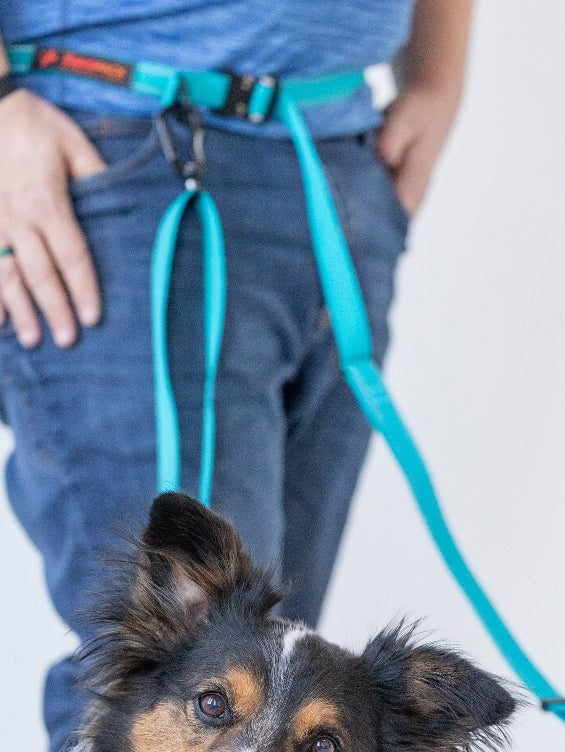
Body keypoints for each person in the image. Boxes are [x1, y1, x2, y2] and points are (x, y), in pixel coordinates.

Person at [0, 2, 472, 750]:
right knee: (154, 666)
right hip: (127, 148)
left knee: (279, 668)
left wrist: (441, 81)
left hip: (341, 156)